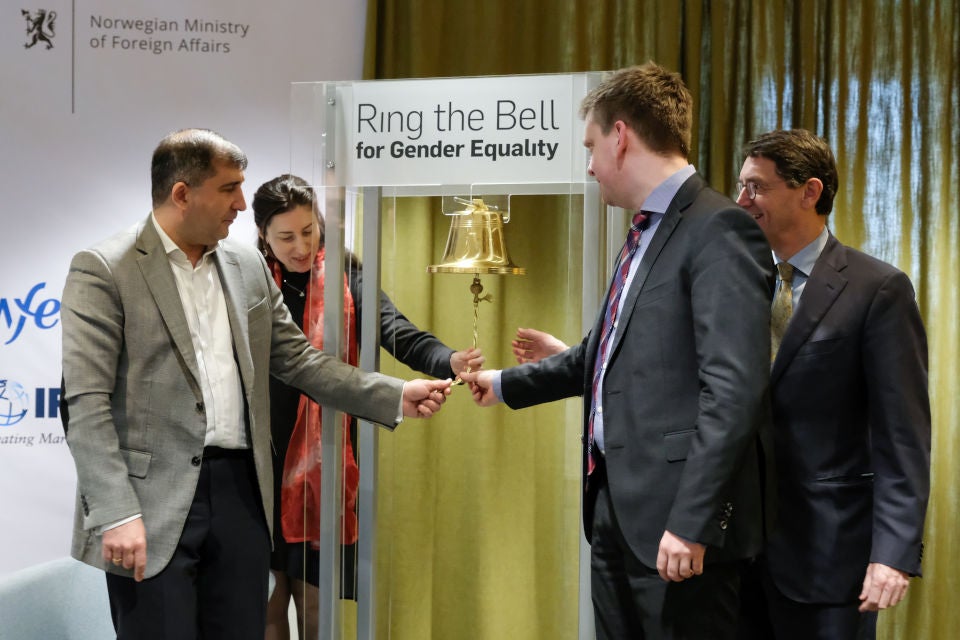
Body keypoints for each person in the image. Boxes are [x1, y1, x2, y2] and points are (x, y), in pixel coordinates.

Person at [59, 128, 452, 640]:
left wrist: (394, 393)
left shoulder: (245, 266)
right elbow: (85, 404)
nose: (242, 204)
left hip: (242, 495)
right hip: (148, 504)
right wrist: (115, 513)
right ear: (182, 193)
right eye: (229, 189)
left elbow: (301, 361)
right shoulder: (104, 269)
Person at [461, 62, 774, 639]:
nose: (588, 165)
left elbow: (734, 391)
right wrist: (504, 384)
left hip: (677, 529)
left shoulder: (719, 229)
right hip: (615, 512)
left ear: (621, 136)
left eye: (591, 145)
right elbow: (602, 356)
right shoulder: (644, 232)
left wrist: (692, 521)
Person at [251, 174, 483, 640]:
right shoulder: (247, 283)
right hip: (256, 461)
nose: (300, 246)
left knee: (316, 603)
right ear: (262, 236)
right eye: (286, 237)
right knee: (264, 601)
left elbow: (400, 333)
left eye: (309, 231)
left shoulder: (347, 276)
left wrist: (449, 359)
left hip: (322, 468)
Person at [734, 129, 931, 640]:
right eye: (741, 186)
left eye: (756, 187)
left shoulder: (877, 289)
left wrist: (893, 554)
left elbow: (903, 436)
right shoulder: (732, 282)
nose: (741, 201)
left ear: (809, 191)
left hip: (828, 560)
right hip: (733, 558)